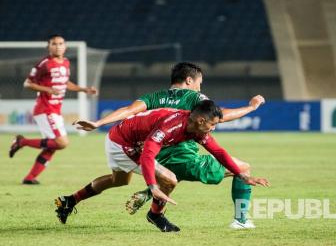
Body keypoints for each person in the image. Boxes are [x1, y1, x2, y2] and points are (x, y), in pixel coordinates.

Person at [74, 62, 264, 229]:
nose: (199, 87)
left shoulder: (154, 97)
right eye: (199, 82)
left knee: (123, 180)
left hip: (156, 152)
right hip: (179, 155)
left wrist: (99, 123)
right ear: (190, 80)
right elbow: (220, 115)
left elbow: (128, 111)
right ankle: (241, 220)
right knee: (243, 168)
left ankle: (148, 192)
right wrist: (251, 107)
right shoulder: (196, 99)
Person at [55, 100, 269, 232]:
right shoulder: (172, 126)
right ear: (202, 121)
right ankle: (156, 215)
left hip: (121, 138)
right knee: (169, 179)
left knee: (118, 181)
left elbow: (218, 151)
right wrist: (152, 185)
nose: (214, 128)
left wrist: (243, 175)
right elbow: (148, 154)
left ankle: (69, 200)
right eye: (213, 124)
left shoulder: (194, 127)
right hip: (123, 145)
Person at [8, 34, 98, 185]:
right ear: (48, 46)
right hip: (45, 108)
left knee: (52, 147)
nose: (58, 46)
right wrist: (47, 89)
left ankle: (30, 178)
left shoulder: (66, 63)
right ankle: (21, 142)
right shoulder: (44, 63)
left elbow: (65, 82)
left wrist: (83, 89)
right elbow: (27, 83)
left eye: (60, 43)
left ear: (65, 46)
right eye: (54, 44)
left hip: (55, 110)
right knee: (62, 143)